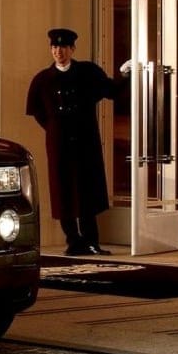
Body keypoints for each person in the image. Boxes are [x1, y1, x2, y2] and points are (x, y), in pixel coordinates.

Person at [25, 27, 119, 256]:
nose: (59, 52)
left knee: (87, 190)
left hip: (86, 141)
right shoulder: (42, 79)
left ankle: (91, 242)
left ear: (73, 49)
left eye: (64, 47)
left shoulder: (87, 72)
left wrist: (128, 75)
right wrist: (54, 128)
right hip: (59, 144)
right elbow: (37, 111)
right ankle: (73, 241)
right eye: (55, 47)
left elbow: (112, 90)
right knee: (63, 190)